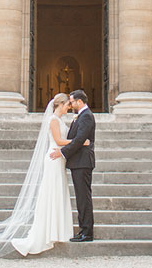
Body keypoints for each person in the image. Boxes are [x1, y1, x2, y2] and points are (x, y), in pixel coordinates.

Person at [0, 92, 88, 257]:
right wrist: (80, 141)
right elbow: (58, 141)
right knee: (51, 193)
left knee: (57, 193)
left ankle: (56, 230)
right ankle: (48, 231)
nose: (68, 108)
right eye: (67, 105)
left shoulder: (60, 120)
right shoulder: (53, 120)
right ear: (59, 105)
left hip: (59, 159)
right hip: (54, 158)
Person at [50, 89, 95, 242]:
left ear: (80, 102)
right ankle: (84, 230)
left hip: (82, 162)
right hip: (78, 162)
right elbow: (77, 140)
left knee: (84, 197)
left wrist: (62, 153)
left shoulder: (86, 116)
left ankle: (87, 232)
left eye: (72, 102)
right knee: (81, 197)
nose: (71, 104)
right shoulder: (81, 116)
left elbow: (80, 139)